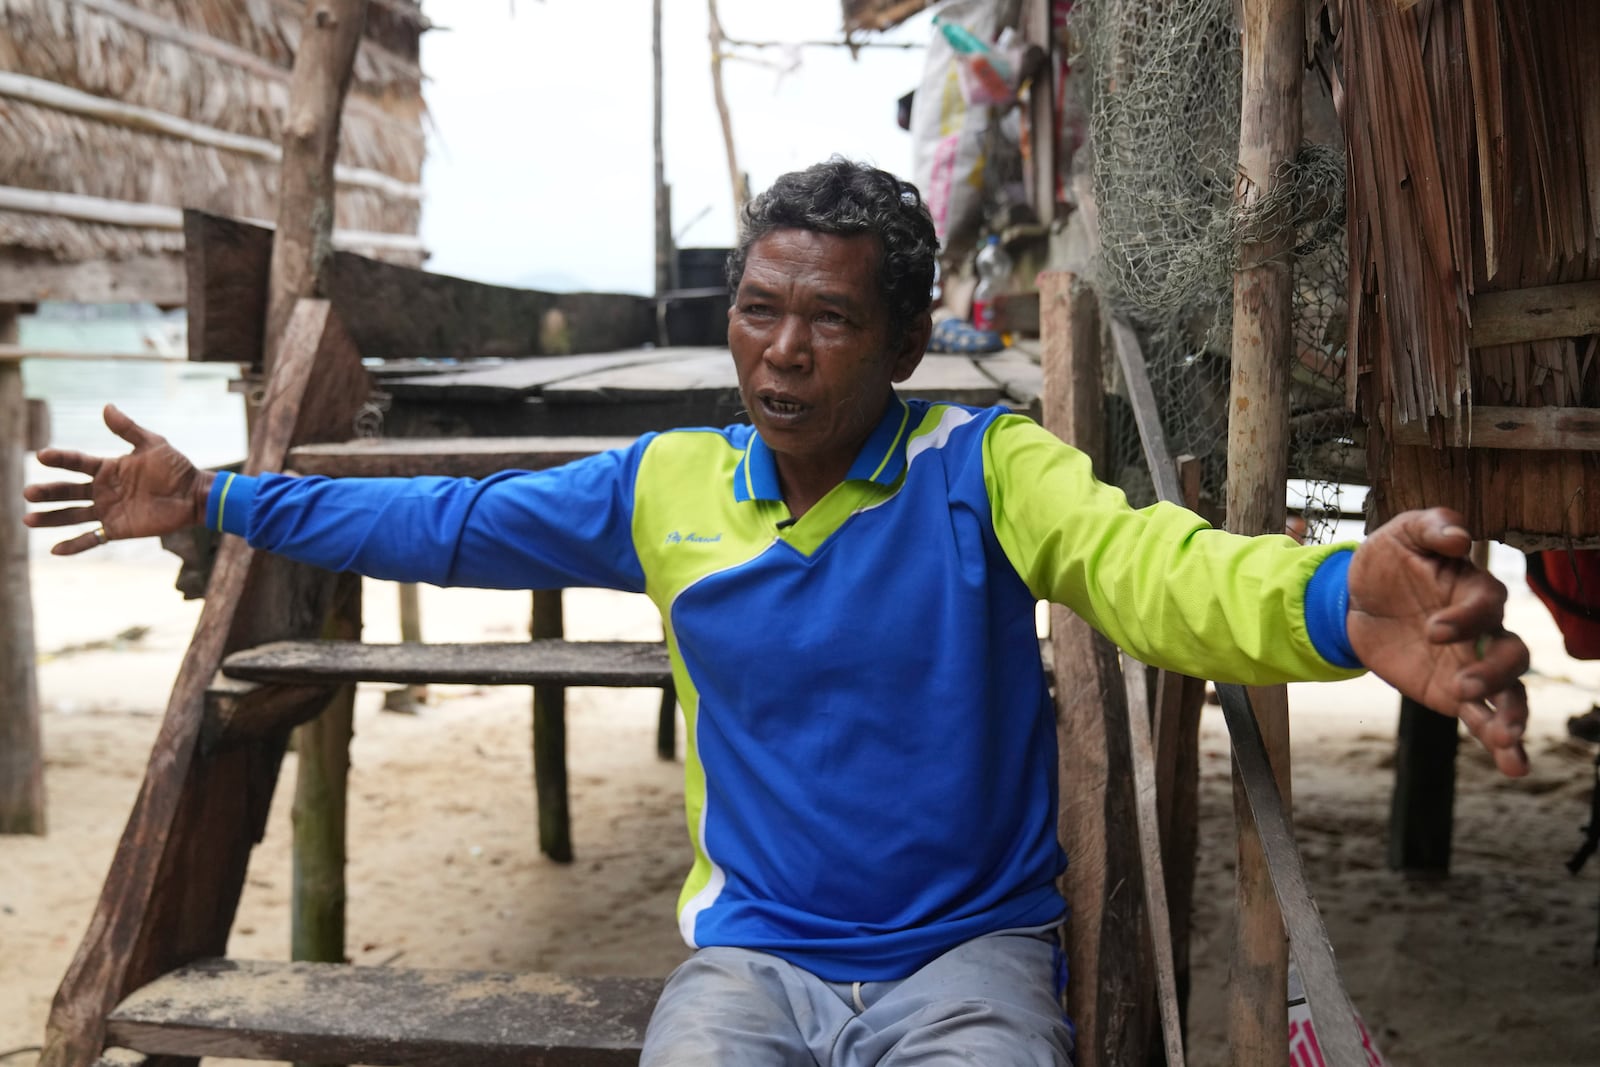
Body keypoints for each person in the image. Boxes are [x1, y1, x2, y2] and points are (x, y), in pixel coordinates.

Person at [24, 159, 1530, 1066]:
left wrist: (1336, 597)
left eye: (828, 318)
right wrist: (224, 499)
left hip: (971, 959)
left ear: (908, 337)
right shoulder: (668, 485)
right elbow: (448, 521)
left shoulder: (985, 470)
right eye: (759, 308)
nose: (783, 351)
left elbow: (1154, 570)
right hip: (750, 960)